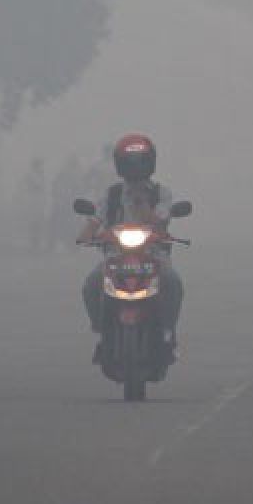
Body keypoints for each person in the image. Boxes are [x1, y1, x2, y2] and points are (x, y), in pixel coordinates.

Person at [79, 134, 183, 363]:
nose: (135, 168)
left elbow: (159, 221)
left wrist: (141, 201)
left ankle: (167, 331)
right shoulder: (112, 194)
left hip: (153, 256)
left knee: (172, 282)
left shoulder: (161, 193)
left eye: (140, 162)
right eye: (130, 162)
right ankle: (101, 328)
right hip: (116, 256)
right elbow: (95, 220)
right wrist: (87, 235)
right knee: (91, 284)